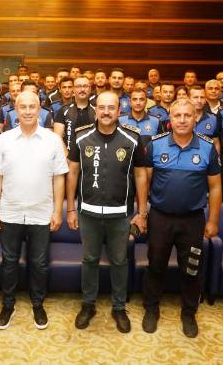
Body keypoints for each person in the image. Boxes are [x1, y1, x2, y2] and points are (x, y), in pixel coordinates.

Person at [66, 91, 148, 332]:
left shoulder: (132, 138)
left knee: (119, 261)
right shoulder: (81, 137)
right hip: (88, 213)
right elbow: (72, 172)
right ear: (96, 110)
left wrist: (142, 212)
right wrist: (70, 208)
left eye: (111, 107)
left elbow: (140, 175)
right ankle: (88, 304)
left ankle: (119, 307)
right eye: (101, 107)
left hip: (120, 214)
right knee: (89, 259)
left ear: (119, 111)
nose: (106, 112)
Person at [0, 91, 69, 331]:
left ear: (40, 109)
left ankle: (37, 304)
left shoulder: (53, 140)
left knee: (39, 263)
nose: (28, 111)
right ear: (15, 110)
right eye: (23, 106)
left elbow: (59, 178)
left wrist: (58, 211)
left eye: (32, 106)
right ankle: (8, 305)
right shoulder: (4, 139)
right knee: (9, 262)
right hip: (10, 211)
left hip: (42, 212)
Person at [142, 98, 221, 338]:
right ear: (170, 118)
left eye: (188, 115)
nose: (183, 120)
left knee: (191, 268)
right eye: (177, 115)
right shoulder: (155, 145)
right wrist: (142, 213)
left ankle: (188, 312)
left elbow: (215, 187)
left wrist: (213, 221)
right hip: (160, 218)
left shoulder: (207, 147)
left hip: (192, 220)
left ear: (196, 118)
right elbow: (144, 181)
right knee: (156, 265)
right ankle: (151, 309)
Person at [53, 76, 96, 152]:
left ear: (90, 89)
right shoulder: (63, 110)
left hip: (92, 154)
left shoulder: (97, 111)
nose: (82, 89)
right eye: (78, 86)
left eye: (85, 86)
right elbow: (57, 137)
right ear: (73, 89)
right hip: (68, 155)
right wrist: (67, 156)